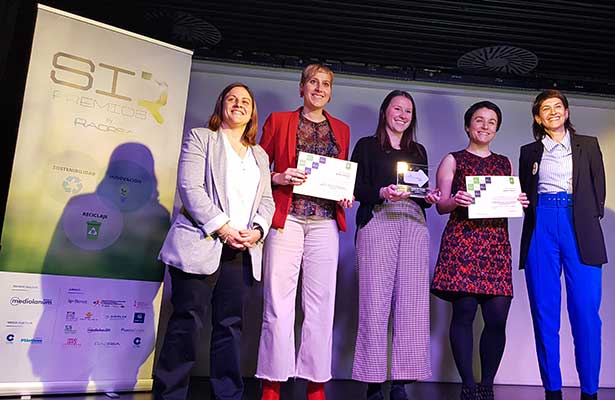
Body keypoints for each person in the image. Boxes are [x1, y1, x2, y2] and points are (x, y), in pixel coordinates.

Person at [153, 83, 275, 400]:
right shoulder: (201, 138)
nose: (239, 104)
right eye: (232, 99)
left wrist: (258, 230)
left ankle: (228, 393)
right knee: (186, 323)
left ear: (252, 112)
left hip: (242, 251)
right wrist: (223, 228)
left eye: (245, 101)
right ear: (221, 104)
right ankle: (171, 393)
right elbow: (190, 188)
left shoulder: (259, 155)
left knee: (230, 327)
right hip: (201, 242)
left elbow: (268, 202)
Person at [257, 64, 352, 400]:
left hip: (325, 222)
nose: (319, 88)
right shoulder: (279, 120)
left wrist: (345, 192)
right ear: (301, 87)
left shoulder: (341, 128)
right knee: (278, 303)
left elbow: (339, 175)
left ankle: (315, 384)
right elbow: (255, 168)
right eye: (313, 82)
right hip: (287, 220)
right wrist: (277, 177)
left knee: (321, 305)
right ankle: (271, 383)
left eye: (326, 84)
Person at [431, 101, 529, 400]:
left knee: (497, 317)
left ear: (496, 128)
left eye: (491, 122)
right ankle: (468, 384)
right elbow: (440, 205)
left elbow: (504, 202)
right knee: (464, 312)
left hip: (496, 244)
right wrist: (455, 201)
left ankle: (488, 382)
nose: (484, 126)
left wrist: (519, 201)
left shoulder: (504, 163)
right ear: (467, 125)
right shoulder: (453, 159)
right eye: (479, 120)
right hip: (463, 242)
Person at [350, 90, 440, 400]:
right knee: (374, 303)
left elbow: (421, 196)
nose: (402, 115)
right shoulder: (366, 145)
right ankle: (374, 382)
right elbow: (354, 186)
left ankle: (401, 381)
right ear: (385, 111)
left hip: (414, 223)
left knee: (412, 306)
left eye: (408, 111)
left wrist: (428, 197)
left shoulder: (418, 150)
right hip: (378, 219)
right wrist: (381, 192)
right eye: (397, 108)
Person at [518, 89, 607, 400]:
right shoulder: (528, 151)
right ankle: (552, 391)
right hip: (541, 223)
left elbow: (599, 192)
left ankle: (589, 392)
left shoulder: (589, 145)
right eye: (546, 108)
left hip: (578, 224)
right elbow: (524, 195)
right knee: (544, 312)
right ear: (538, 118)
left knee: (585, 312)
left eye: (558, 106)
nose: (553, 111)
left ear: (567, 112)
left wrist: (580, 215)